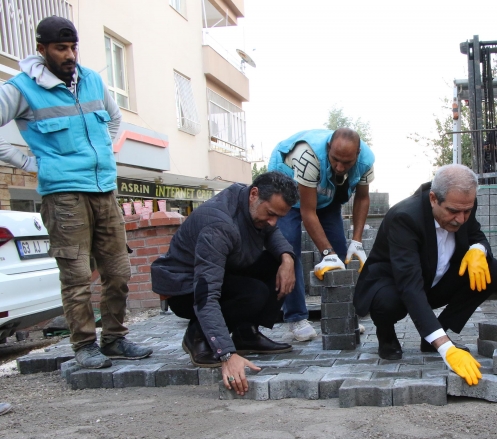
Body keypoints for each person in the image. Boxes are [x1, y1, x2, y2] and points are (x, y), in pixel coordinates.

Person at [0, 16, 151, 369]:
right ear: (42, 49)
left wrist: (103, 152)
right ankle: (84, 345)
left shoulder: (93, 80)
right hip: (64, 195)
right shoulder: (20, 88)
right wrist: (30, 164)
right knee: (77, 276)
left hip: (103, 189)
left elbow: (114, 120)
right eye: (60, 48)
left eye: (72, 47)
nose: (69, 55)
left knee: (118, 271)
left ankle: (114, 339)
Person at [151, 172, 299, 395]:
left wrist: (287, 258)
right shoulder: (218, 226)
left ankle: (245, 334)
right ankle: (197, 336)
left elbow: (272, 232)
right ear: (254, 194)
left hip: (221, 271)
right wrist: (226, 353)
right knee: (254, 293)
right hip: (186, 289)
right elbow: (205, 294)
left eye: (278, 216)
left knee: (277, 261)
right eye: (270, 214)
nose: (272, 222)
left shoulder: (248, 200)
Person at [354, 164, 497, 386]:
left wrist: (478, 250)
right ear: (433, 198)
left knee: (492, 270)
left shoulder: (462, 203)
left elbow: (476, 234)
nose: (461, 219)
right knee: (387, 302)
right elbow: (409, 286)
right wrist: (446, 349)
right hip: (394, 283)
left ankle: (433, 334)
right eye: (453, 211)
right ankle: (386, 336)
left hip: (435, 278)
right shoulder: (405, 217)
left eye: (467, 212)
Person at [268, 128, 374, 341]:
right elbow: (308, 211)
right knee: (289, 251)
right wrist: (326, 252)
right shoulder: (308, 156)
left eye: (347, 162)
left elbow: (362, 198)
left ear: (358, 154)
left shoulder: (366, 162)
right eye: (335, 160)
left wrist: (357, 241)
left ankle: (344, 315)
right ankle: (296, 317)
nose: (340, 167)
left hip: (325, 194)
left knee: (341, 255)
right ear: (328, 149)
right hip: (287, 190)